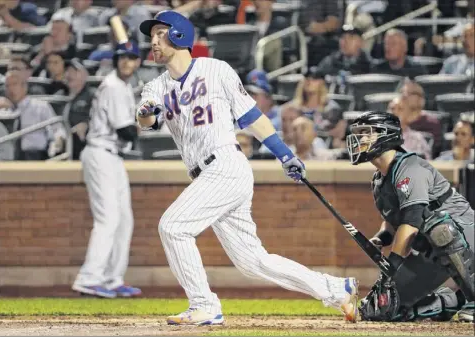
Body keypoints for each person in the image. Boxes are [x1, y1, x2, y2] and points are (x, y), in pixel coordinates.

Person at [136, 10, 359, 326]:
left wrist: (284, 154)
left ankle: (203, 304)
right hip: (207, 174)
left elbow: (251, 117)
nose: (154, 41)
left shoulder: (215, 70)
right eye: (152, 35)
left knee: (173, 226)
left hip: (224, 164)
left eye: (160, 33)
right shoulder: (156, 87)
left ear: (180, 35)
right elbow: (145, 120)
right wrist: (145, 112)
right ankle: (336, 289)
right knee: (253, 261)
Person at [346, 111, 474, 323]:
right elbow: (392, 223)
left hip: (464, 236)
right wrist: (380, 239)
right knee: (381, 309)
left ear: (385, 134)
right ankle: (453, 301)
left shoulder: (410, 167)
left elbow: (412, 222)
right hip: (432, 252)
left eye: (365, 133)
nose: (359, 139)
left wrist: (392, 266)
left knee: (440, 229)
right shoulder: (379, 180)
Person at [72, 42, 142, 298]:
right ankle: (89, 278)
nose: (127, 62)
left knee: (124, 220)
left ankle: (112, 279)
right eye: (123, 57)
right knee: (109, 219)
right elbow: (126, 131)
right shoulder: (113, 86)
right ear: (116, 61)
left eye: (132, 58)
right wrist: (151, 119)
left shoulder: (123, 87)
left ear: (138, 62)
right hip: (101, 153)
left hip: (113, 157)